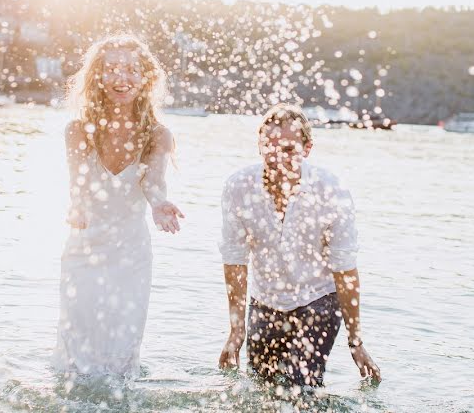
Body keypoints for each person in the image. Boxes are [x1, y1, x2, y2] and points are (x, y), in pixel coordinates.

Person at [217, 104, 380, 388]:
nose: (277, 157)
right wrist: (236, 330)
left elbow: (345, 270)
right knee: (260, 389)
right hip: (265, 301)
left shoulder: (331, 191)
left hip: (318, 301)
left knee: (301, 388)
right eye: (268, 145)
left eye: (289, 149)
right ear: (258, 145)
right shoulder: (238, 187)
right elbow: (235, 260)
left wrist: (356, 342)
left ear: (307, 149)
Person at [52, 35, 184, 379]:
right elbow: (77, 184)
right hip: (84, 247)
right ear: (97, 76)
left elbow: (153, 185)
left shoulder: (158, 135)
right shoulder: (79, 130)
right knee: (77, 345)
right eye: (111, 69)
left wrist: (159, 205)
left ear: (146, 78)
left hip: (131, 254)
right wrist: (77, 207)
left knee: (123, 345)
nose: (120, 77)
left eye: (131, 69)